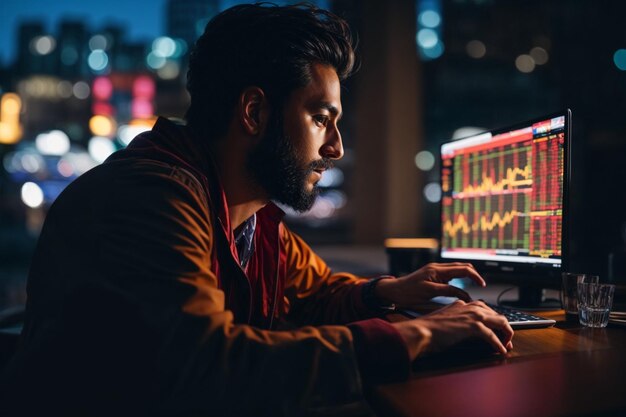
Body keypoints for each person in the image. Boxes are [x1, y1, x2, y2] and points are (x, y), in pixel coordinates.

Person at [0, 3, 513, 416]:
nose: (334, 146)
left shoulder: (249, 214)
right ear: (254, 112)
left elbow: (314, 293)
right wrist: (417, 332)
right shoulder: (152, 199)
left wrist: (385, 292)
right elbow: (210, 368)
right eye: (320, 118)